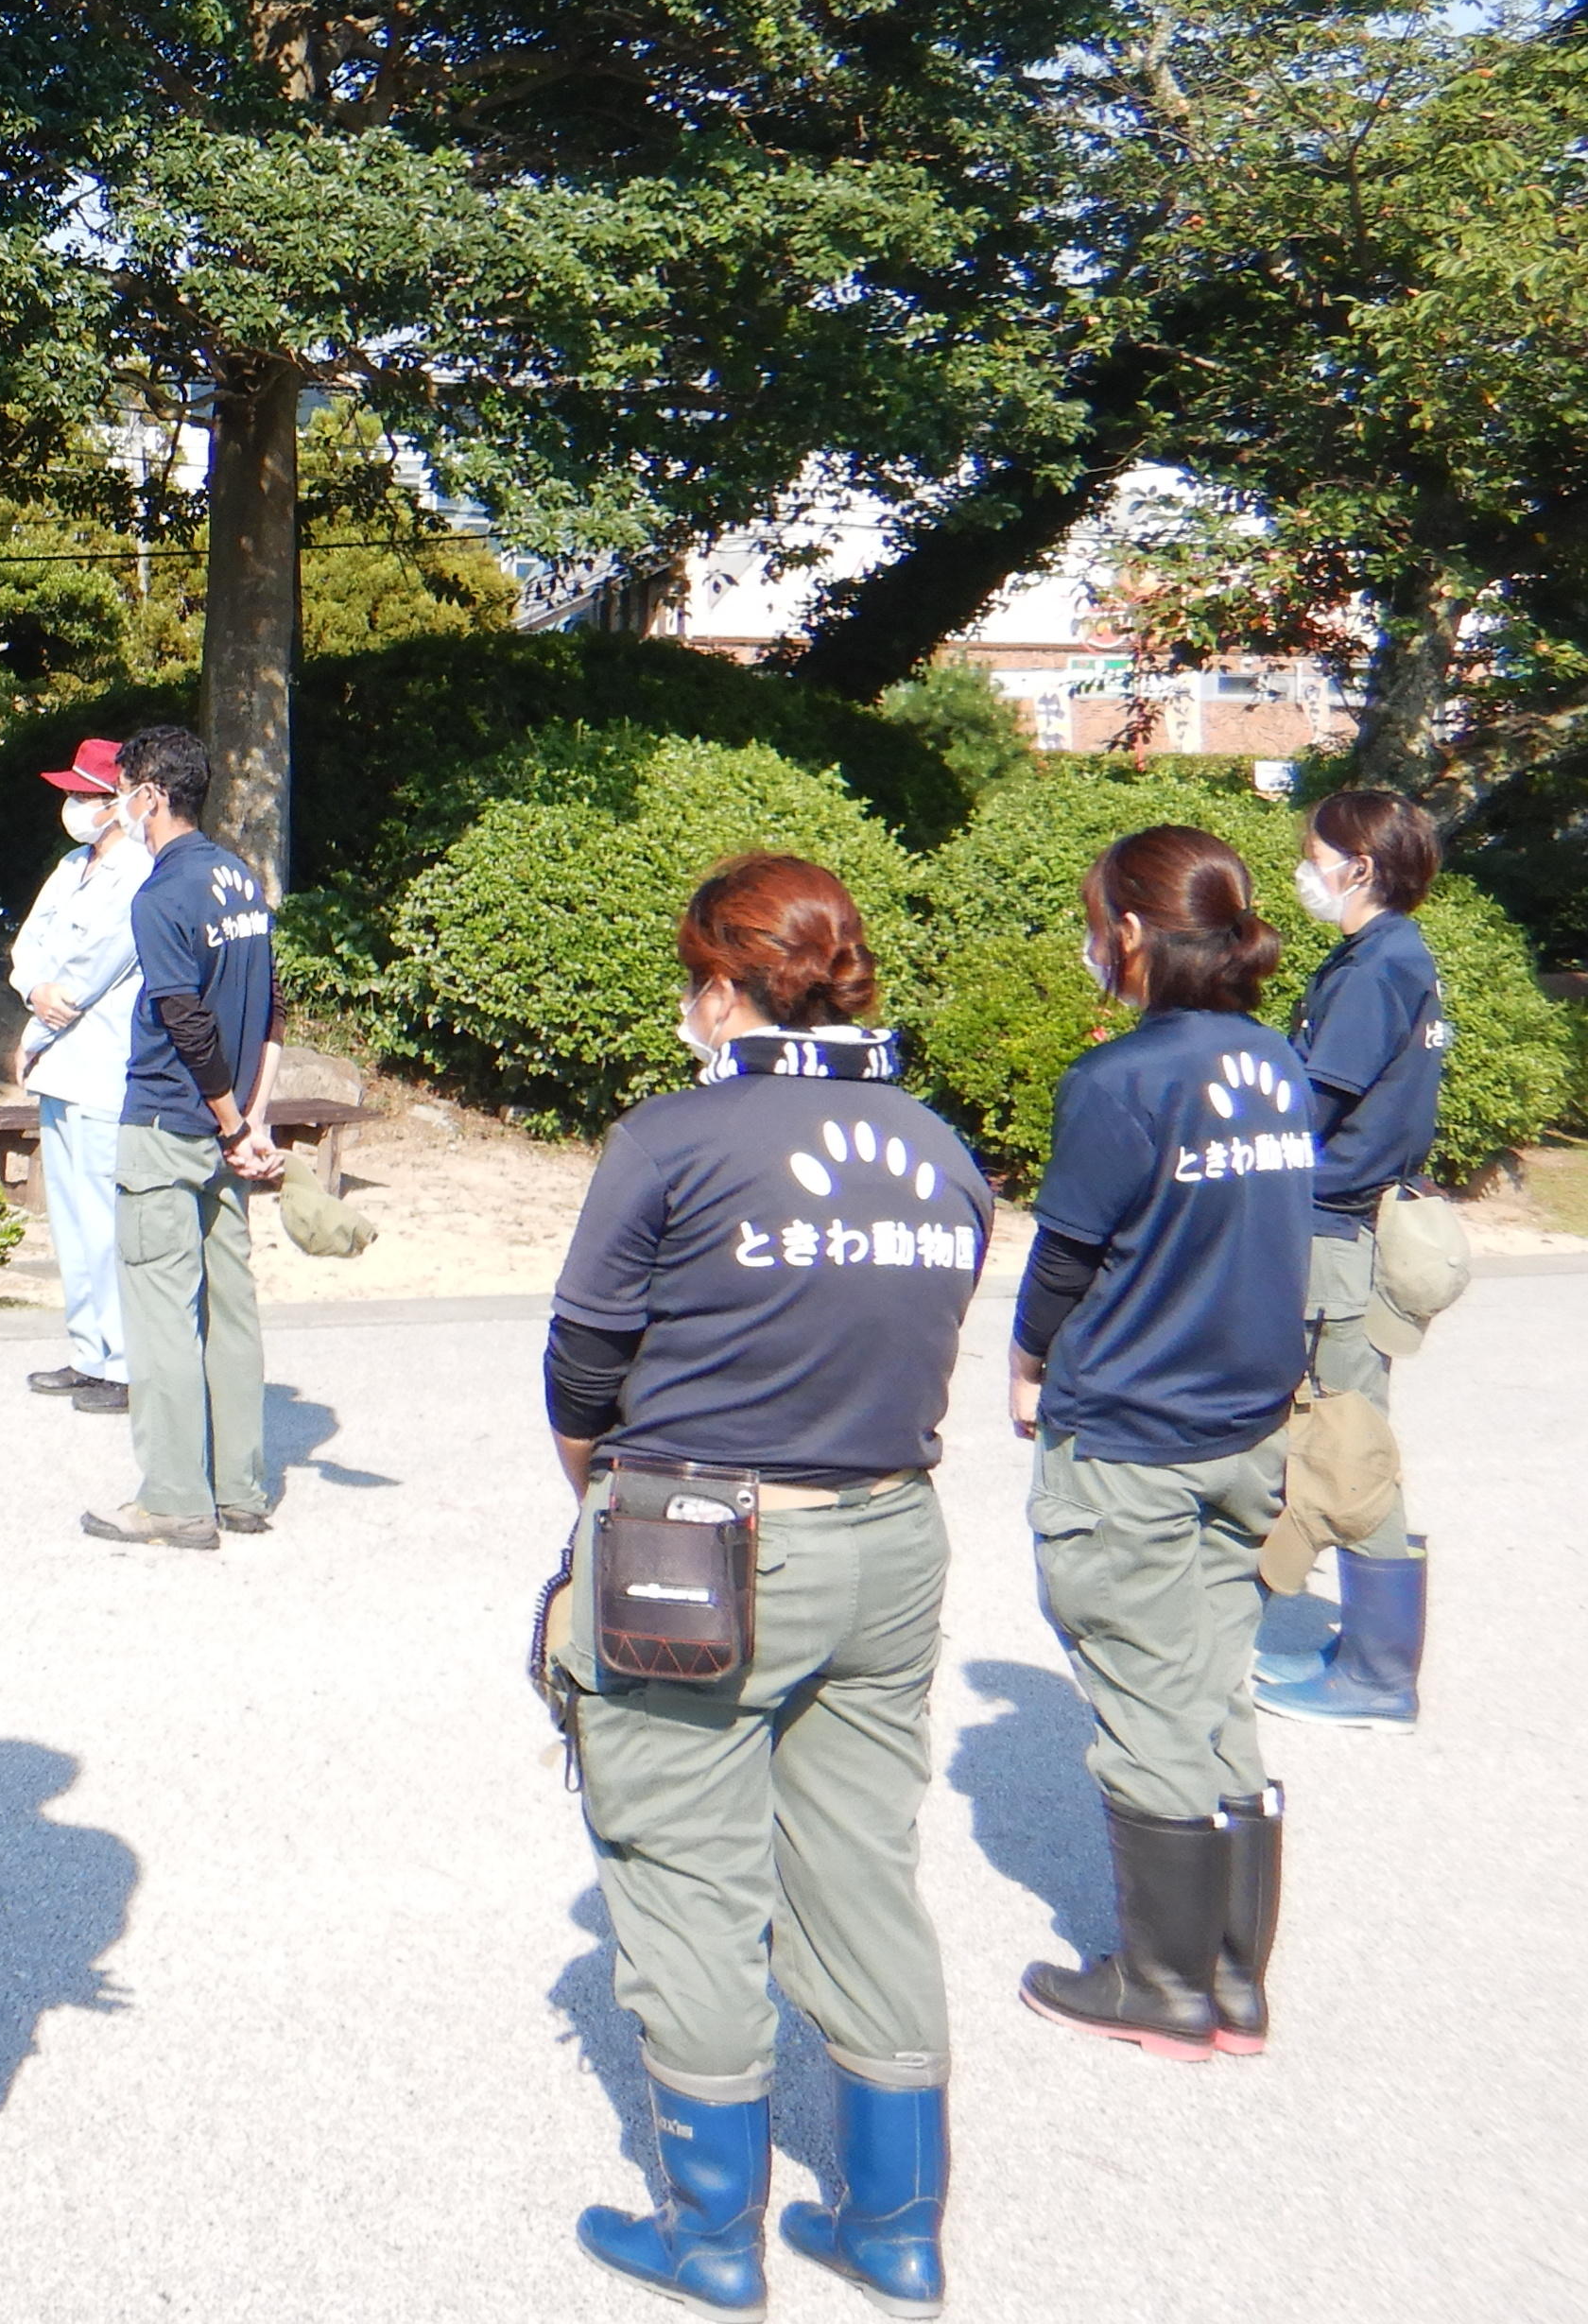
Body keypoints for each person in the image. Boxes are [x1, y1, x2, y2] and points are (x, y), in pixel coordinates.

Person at [544, 854, 991, 2317]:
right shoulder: (935, 1143)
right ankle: (897, 2226)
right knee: (864, 1867)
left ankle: (713, 2236)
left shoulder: (673, 1137)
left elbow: (584, 1358)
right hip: (892, 1532)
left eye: (694, 980)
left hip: (704, 1535)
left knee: (684, 1872)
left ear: (724, 984)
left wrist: (593, 1488)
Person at [1011, 824, 1313, 2064]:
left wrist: (1027, 1368)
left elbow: (1065, 1262)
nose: (1092, 944)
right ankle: (1235, 1985)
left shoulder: (1123, 1082)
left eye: (1096, 922)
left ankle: (1162, 1985)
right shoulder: (1275, 1064)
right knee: (1211, 1685)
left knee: (1143, 1690)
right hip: (1244, 1431)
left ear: (1128, 934)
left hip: (1131, 1431)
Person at [1257, 785, 1451, 1728]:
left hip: (1336, 1231)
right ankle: (1368, 1656)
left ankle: (1378, 1674)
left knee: (1349, 1439)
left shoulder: (1379, 966)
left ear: (1359, 866)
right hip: (1352, 1225)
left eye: (1314, 852)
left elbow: (1313, 1102)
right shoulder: (1390, 956)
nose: (1306, 868)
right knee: (1349, 1429)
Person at [79, 722, 284, 1552]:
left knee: (162, 1315)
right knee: (231, 1312)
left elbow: (183, 1018)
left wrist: (232, 1118)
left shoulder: (161, 895)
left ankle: (172, 1499)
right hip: (224, 1134)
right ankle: (240, 1488)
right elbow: (268, 1008)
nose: (116, 807)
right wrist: (252, 1123)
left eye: (123, 790)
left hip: (169, 1122)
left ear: (153, 795)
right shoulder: (241, 879)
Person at [8, 736, 149, 1414]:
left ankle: (122, 1362)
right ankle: (88, 1351)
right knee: (69, 1219)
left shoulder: (139, 874)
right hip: (59, 1068)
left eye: (89, 795)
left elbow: (93, 975)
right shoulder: (71, 865)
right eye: (72, 794)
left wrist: (34, 1032)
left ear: (124, 800)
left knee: (103, 1221)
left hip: (101, 1068)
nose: (75, 806)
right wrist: (31, 990)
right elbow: (28, 946)